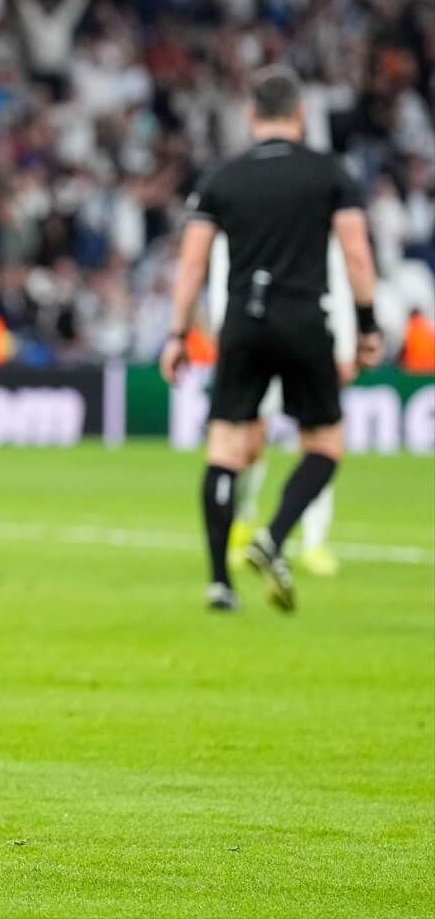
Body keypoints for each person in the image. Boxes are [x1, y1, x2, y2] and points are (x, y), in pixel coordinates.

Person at [161, 68, 384, 613]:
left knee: (225, 449)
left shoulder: (223, 178)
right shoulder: (329, 174)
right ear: (300, 114)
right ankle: (274, 535)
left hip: (243, 321)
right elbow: (356, 255)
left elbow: (192, 263)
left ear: (251, 114)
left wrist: (177, 333)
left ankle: (220, 582)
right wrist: (367, 327)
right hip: (305, 318)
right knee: (325, 444)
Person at [209, 234, 358, 578]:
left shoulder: (316, 213)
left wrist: (344, 345)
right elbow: (222, 268)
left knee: (318, 442)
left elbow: (338, 272)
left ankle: (314, 540)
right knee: (248, 442)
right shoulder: (241, 214)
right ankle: (242, 518)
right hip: (254, 337)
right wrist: (224, 333)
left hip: (306, 338)